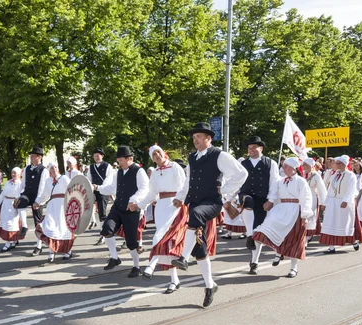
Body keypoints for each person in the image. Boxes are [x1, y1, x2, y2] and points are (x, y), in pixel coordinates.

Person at [172, 122, 247, 307]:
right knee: (201, 248)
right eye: (194, 137)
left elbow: (241, 174)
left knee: (196, 215)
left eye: (198, 136)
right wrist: (180, 197)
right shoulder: (192, 157)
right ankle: (210, 285)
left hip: (212, 203)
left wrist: (225, 193)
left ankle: (183, 257)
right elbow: (188, 181)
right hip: (195, 202)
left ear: (208, 138)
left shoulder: (219, 155)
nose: (195, 140)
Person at [135, 145, 186, 293]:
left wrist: (180, 199)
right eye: (154, 155)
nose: (157, 155)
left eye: (158, 152)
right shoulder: (155, 173)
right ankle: (174, 280)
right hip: (162, 206)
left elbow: (184, 185)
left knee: (161, 237)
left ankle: (151, 264)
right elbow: (152, 194)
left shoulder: (175, 166)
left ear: (164, 153)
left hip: (175, 204)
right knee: (166, 243)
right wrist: (139, 205)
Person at [94, 145, 149, 278]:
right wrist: (97, 188)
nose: (119, 163)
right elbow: (112, 188)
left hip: (132, 210)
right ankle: (115, 258)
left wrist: (134, 200)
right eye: (118, 161)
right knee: (107, 229)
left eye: (121, 160)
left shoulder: (139, 171)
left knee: (131, 241)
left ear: (129, 158)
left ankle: (136, 266)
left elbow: (145, 188)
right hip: (118, 207)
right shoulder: (118, 172)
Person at [253, 157, 313, 278]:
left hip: (295, 210)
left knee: (294, 239)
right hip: (280, 210)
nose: (283, 168)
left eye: (285, 166)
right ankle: (278, 253)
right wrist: (269, 202)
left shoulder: (301, 181)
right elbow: (273, 193)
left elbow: (306, 198)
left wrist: (304, 214)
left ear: (293, 168)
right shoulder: (280, 181)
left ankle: (293, 267)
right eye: (283, 166)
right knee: (264, 231)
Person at [237, 136, 280, 275]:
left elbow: (274, 182)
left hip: (262, 198)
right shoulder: (242, 163)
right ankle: (249, 234)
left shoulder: (270, 163)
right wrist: (229, 198)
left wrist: (271, 200)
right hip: (246, 194)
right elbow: (236, 181)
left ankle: (254, 262)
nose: (251, 150)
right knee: (248, 201)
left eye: (254, 148)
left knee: (258, 231)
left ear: (260, 148)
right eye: (249, 148)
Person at [319, 155, 362, 253]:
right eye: (336, 163)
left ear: (344, 164)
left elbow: (351, 189)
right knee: (331, 222)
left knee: (345, 223)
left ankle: (353, 241)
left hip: (343, 202)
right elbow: (330, 189)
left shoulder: (350, 175)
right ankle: (331, 247)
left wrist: (346, 200)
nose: (337, 165)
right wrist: (325, 202)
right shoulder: (334, 175)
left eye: (339, 163)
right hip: (333, 202)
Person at [35, 163, 74, 262]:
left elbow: (72, 189)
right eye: (52, 167)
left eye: (56, 167)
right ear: (49, 170)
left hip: (63, 206)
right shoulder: (48, 181)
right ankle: (51, 251)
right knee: (51, 228)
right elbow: (45, 195)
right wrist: (37, 202)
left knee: (64, 228)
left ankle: (68, 251)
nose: (55, 169)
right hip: (52, 207)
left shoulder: (64, 178)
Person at [19, 146, 50, 256]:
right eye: (31, 156)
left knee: (38, 222)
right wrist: (19, 195)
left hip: (38, 196)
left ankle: (39, 246)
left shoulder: (44, 170)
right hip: (27, 193)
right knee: (20, 203)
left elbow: (42, 187)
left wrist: (37, 201)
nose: (31, 158)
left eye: (33, 156)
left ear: (39, 157)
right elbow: (22, 183)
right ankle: (24, 226)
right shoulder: (27, 168)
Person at [0, 167, 26, 251]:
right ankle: (14, 240)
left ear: (19, 174)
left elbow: (22, 194)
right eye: (12, 173)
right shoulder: (8, 182)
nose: (13, 174)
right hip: (5, 205)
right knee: (6, 222)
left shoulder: (21, 184)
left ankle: (8, 243)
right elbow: (3, 193)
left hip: (14, 205)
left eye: (15, 173)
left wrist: (18, 202)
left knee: (11, 224)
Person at [87, 147, 114, 243]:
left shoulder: (107, 166)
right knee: (89, 205)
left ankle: (103, 234)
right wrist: (90, 187)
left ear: (102, 156)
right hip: (94, 191)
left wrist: (100, 187)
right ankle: (96, 224)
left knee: (102, 213)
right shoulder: (91, 167)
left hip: (103, 191)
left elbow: (108, 179)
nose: (96, 157)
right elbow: (88, 179)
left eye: (98, 155)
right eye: (95, 155)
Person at [303, 158, 327, 243]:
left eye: (305, 164)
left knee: (311, 216)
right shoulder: (304, 174)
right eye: (303, 164)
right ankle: (305, 235)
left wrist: (324, 202)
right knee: (304, 216)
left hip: (312, 197)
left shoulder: (316, 175)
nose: (303, 166)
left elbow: (321, 189)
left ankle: (308, 236)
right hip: (304, 198)